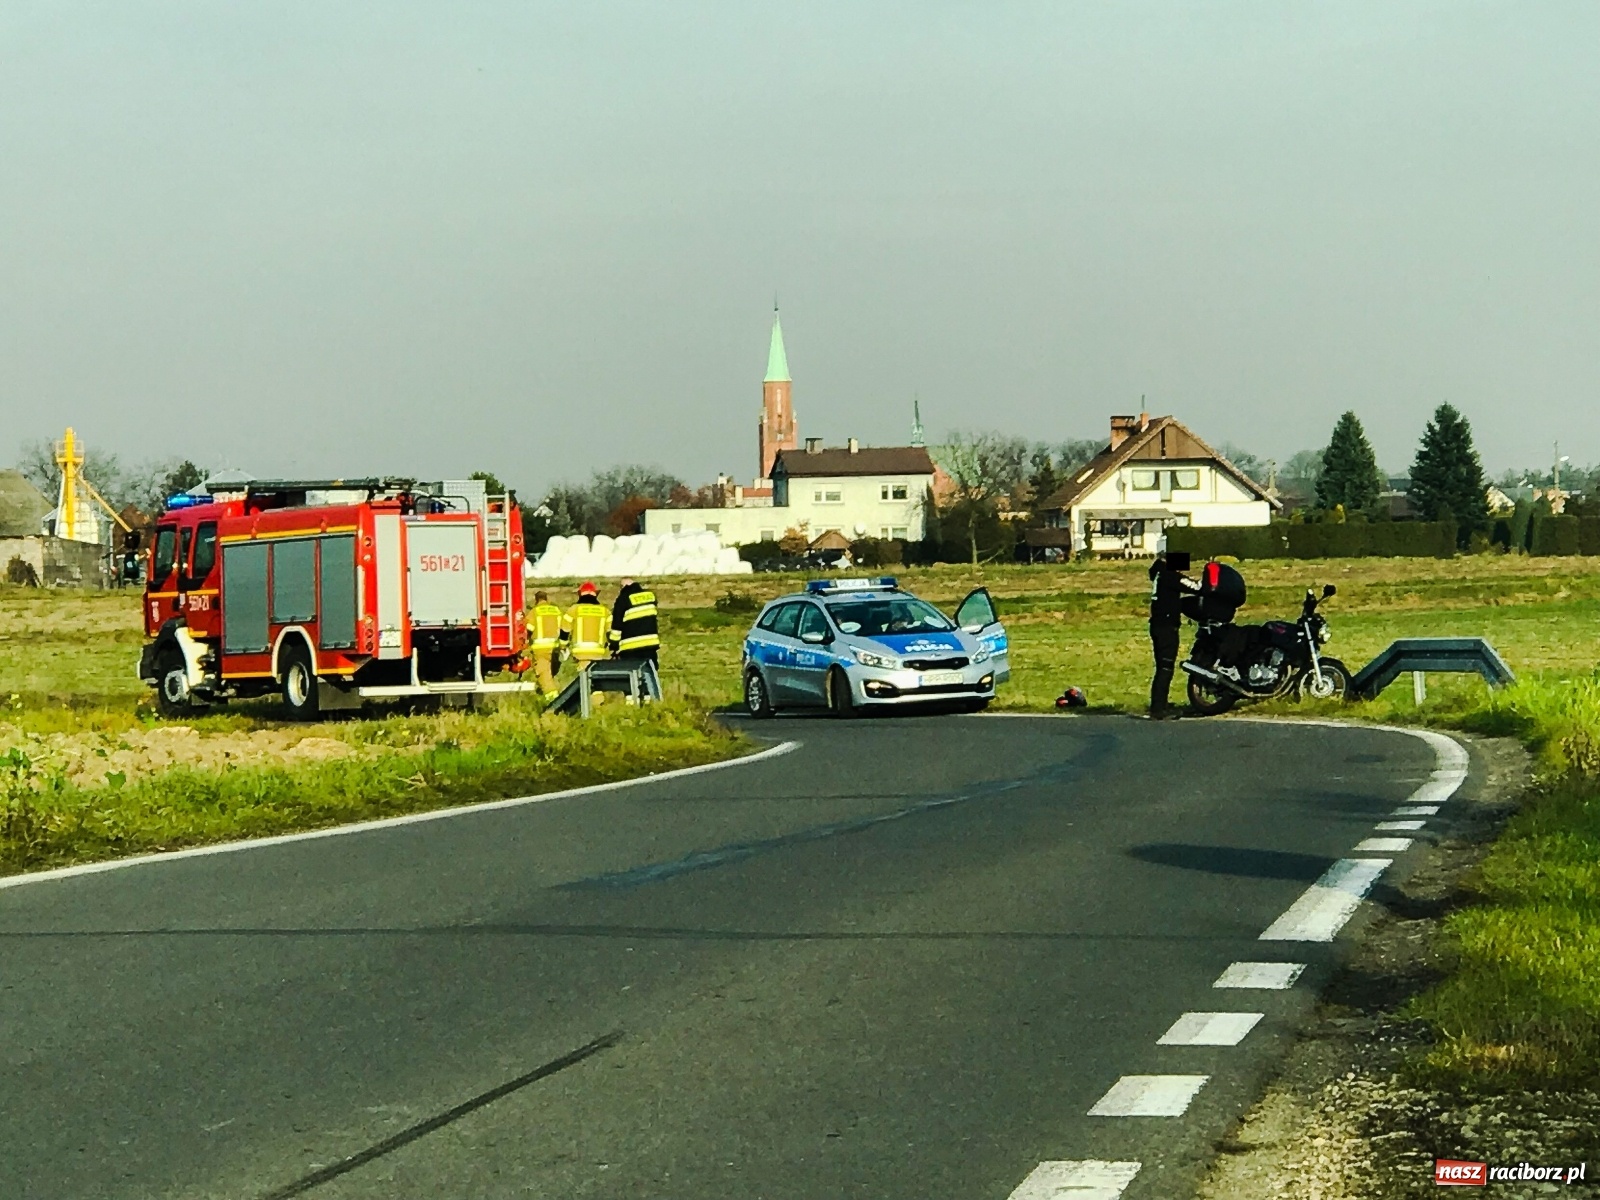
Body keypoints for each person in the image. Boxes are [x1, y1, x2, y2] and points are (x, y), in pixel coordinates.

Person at [1148, 550, 1199, 718]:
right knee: (1166, 667)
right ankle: (1158, 709)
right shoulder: (1169, 575)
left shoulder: (1158, 574)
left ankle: (1159, 703)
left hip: (1157, 624)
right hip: (1167, 626)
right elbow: (1195, 587)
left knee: (1162, 667)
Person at [559, 582, 612, 678]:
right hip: (598, 653)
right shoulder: (605, 611)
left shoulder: (573, 610)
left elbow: (564, 631)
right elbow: (611, 633)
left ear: (580, 594)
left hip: (581, 653)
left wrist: (563, 647)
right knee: (595, 679)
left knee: (586, 681)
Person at [524, 589, 565, 701]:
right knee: (551, 673)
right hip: (555, 648)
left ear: (536, 600)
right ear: (547, 599)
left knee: (543, 673)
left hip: (541, 649)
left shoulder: (535, 611)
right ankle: (544, 690)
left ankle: (553, 700)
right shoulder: (556, 610)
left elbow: (529, 629)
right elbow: (564, 628)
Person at [609, 578, 660, 664]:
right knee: (650, 669)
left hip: (630, 646)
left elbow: (617, 626)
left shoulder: (623, 599)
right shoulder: (650, 596)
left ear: (623, 587)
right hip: (650, 643)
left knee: (632, 670)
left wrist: (614, 645)